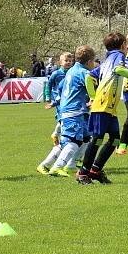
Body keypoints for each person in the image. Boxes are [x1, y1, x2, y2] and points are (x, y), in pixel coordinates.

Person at [76, 33, 128, 185]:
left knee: (114, 140)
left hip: (108, 107)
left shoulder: (108, 59)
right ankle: (82, 173)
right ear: (122, 46)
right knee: (98, 139)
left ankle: (95, 170)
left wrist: (93, 96)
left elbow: (89, 77)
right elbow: (119, 69)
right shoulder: (118, 56)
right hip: (103, 105)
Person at [45, 46, 96, 178]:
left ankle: (72, 165)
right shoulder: (84, 73)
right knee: (73, 141)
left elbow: (61, 88)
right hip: (74, 111)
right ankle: (57, 167)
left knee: (86, 138)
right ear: (89, 61)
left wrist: (56, 102)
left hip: (72, 110)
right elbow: (90, 85)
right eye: (94, 61)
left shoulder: (70, 71)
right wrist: (93, 98)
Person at [36, 52, 74, 175]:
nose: (68, 62)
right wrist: (48, 97)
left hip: (70, 105)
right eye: (66, 60)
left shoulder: (73, 72)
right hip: (62, 105)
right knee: (68, 138)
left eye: (70, 60)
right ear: (60, 62)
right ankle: (52, 165)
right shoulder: (56, 74)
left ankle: (70, 163)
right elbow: (48, 85)